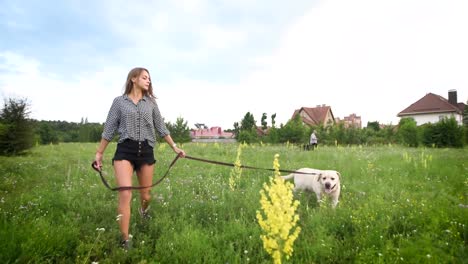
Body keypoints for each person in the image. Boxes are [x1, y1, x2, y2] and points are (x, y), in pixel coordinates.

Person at [93, 67, 186, 249]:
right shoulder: (119, 102)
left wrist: (174, 147)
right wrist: (99, 153)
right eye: (144, 77)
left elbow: (161, 127)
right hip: (125, 151)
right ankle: (125, 239)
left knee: (145, 195)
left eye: (149, 78)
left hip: (146, 151)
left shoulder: (150, 103)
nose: (148, 81)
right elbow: (109, 129)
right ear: (133, 78)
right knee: (125, 193)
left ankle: (143, 211)